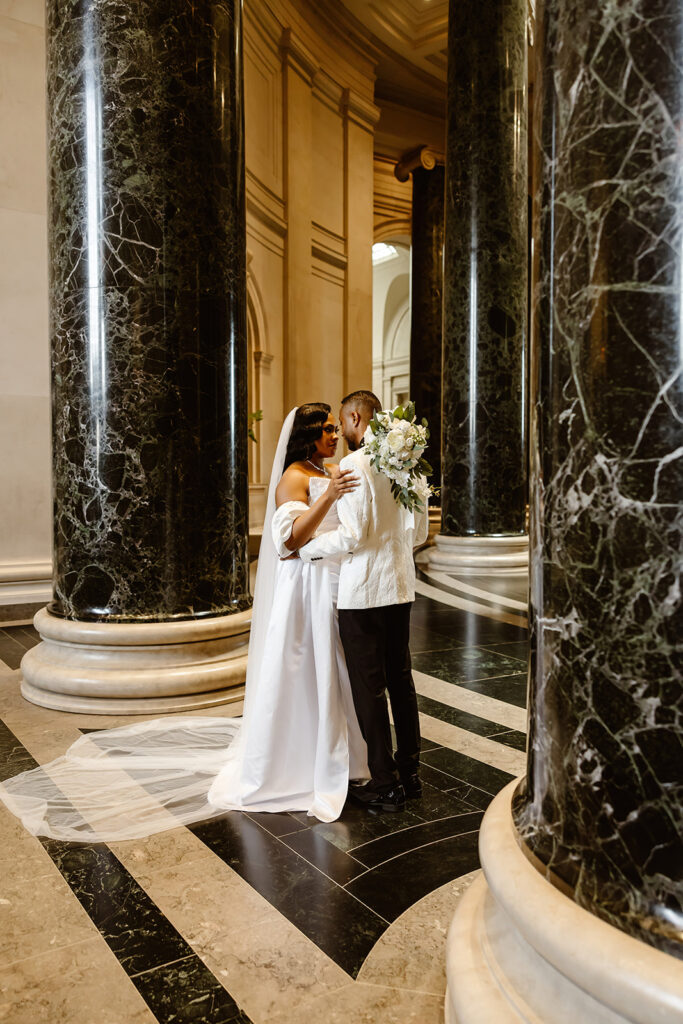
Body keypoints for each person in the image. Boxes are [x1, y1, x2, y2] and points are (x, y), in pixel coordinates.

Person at [0, 404, 369, 841]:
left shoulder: (324, 466)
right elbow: (287, 542)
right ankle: (296, 764)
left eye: (333, 427)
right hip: (301, 589)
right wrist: (328, 496)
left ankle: (335, 756)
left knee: (332, 671)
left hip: (326, 582)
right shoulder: (294, 475)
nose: (333, 433)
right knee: (305, 670)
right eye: (326, 428)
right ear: (307, 433)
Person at [298, 390, 429, 812]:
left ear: (355, 416)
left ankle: (385, 783)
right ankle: (410, 774)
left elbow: (352, 537)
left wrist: (310, 547)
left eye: (342, 420)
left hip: (363, 593)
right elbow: (420, 533)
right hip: (400, 586)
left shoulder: (355, 465)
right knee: (401, 682)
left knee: (369, 690)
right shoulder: (409, 463)